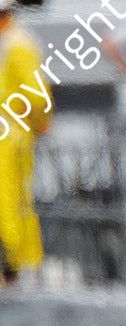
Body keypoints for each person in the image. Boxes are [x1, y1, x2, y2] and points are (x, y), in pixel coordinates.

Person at [0, 0, 51, 288]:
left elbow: (36, 96)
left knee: (10, 202)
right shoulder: (10, 44)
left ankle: (14, 269)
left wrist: (41, 121)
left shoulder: (17, 45)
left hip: (10, 138)